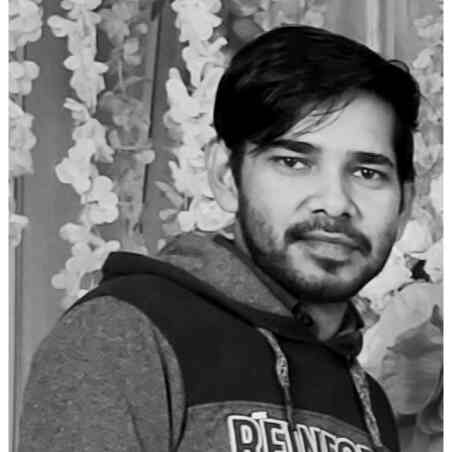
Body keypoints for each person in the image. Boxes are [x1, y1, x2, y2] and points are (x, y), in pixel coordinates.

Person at [19, 25, 420, 452]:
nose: (335, 203)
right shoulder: (127, 333)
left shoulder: (369, 404)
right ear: (226, 176)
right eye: (293, 162)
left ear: (404, 206)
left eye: (367, 173)